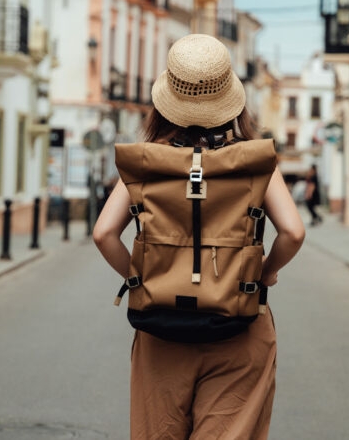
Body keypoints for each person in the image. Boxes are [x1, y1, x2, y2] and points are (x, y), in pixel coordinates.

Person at [93, 34, 305, 440]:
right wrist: (263, 273)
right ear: (231, 97)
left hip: (161, 331)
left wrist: (141, 279)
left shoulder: (148, 160)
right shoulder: (253, 161)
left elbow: (104, 233)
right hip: (239, 324)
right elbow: (293, 232)